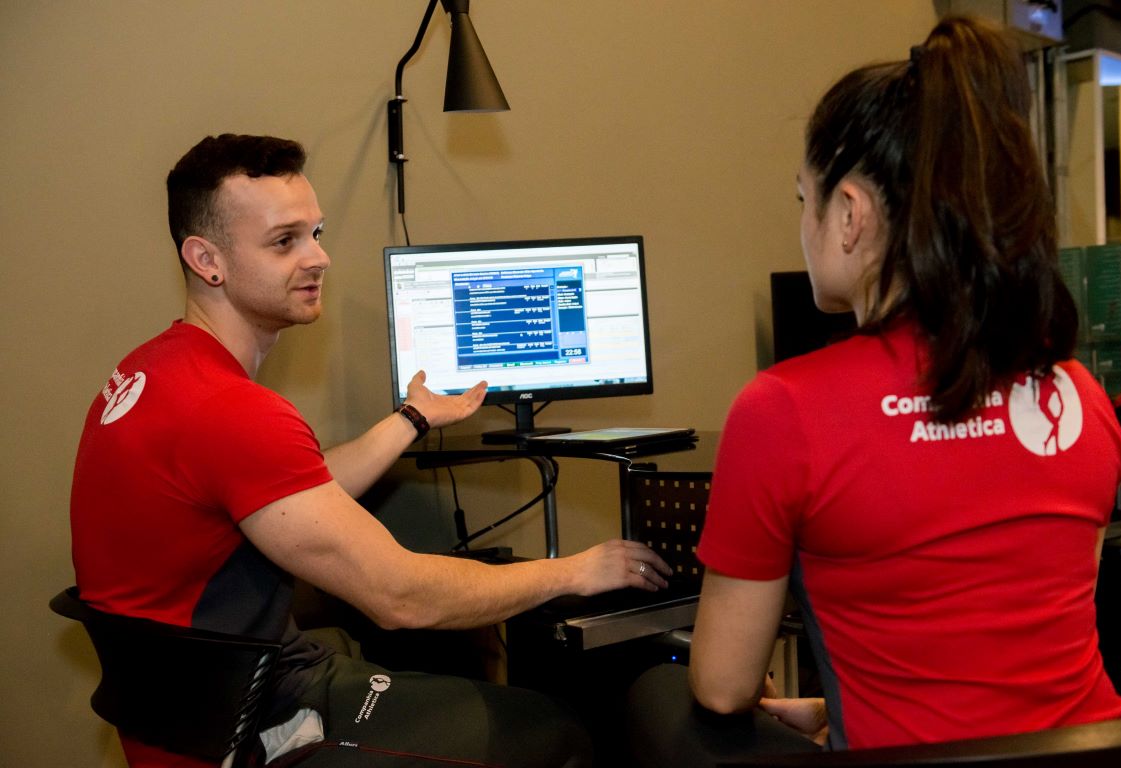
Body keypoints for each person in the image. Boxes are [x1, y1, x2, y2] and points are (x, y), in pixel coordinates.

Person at [69, 133, 673, 768]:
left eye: (316, 232)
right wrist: (577, 571)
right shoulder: (231, 412)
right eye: (285, 241)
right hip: (243, 729)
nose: (320, 257)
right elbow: (402, 597)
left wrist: (413, 417)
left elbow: (286, 494)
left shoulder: (155, 371)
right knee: (553, 729)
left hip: (189, 714)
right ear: (206, 259)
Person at [626, 15, 1121, 765]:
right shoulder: (1074, 394)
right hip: (1102, 746)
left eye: (807, 200)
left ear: (852, 216)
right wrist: (836, 703)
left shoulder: (782, 411)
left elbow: (726, 686)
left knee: (660, 695)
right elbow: (1007, 642)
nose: (803, 224)